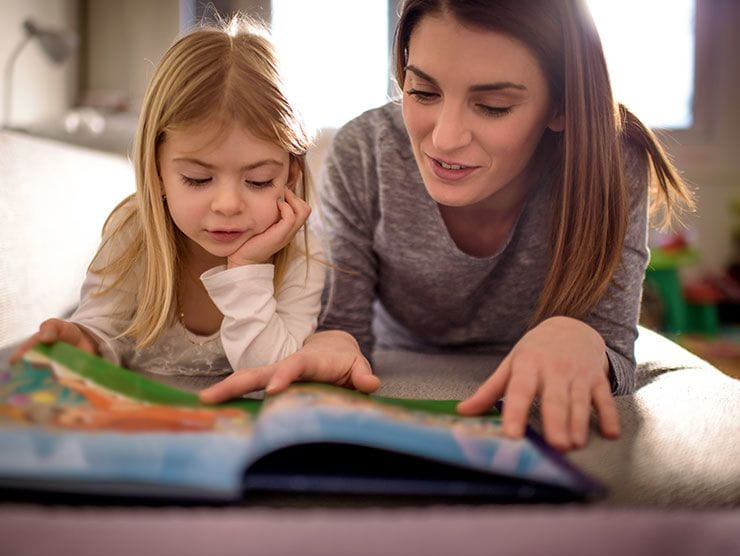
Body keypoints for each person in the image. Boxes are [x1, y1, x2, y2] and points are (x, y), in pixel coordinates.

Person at [199, 0, 693, 452]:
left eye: (494, 106)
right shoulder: (365, 153)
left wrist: (582, 340)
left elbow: (616, 357)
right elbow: (341, 330)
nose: (445, 138)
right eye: (422, 91)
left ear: (560, 105)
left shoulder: (612, 161)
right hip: (401, 353)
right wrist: (334, 345)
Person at [11, 17, 324, 377]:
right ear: (156, 171)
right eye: (197, 178)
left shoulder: (303, 255)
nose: (227, 205)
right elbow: (99, 331)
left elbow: (273, 373)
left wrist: (247, 270)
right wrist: (83, 341)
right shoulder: (133, 234)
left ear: (290, 175)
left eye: (258, 180)